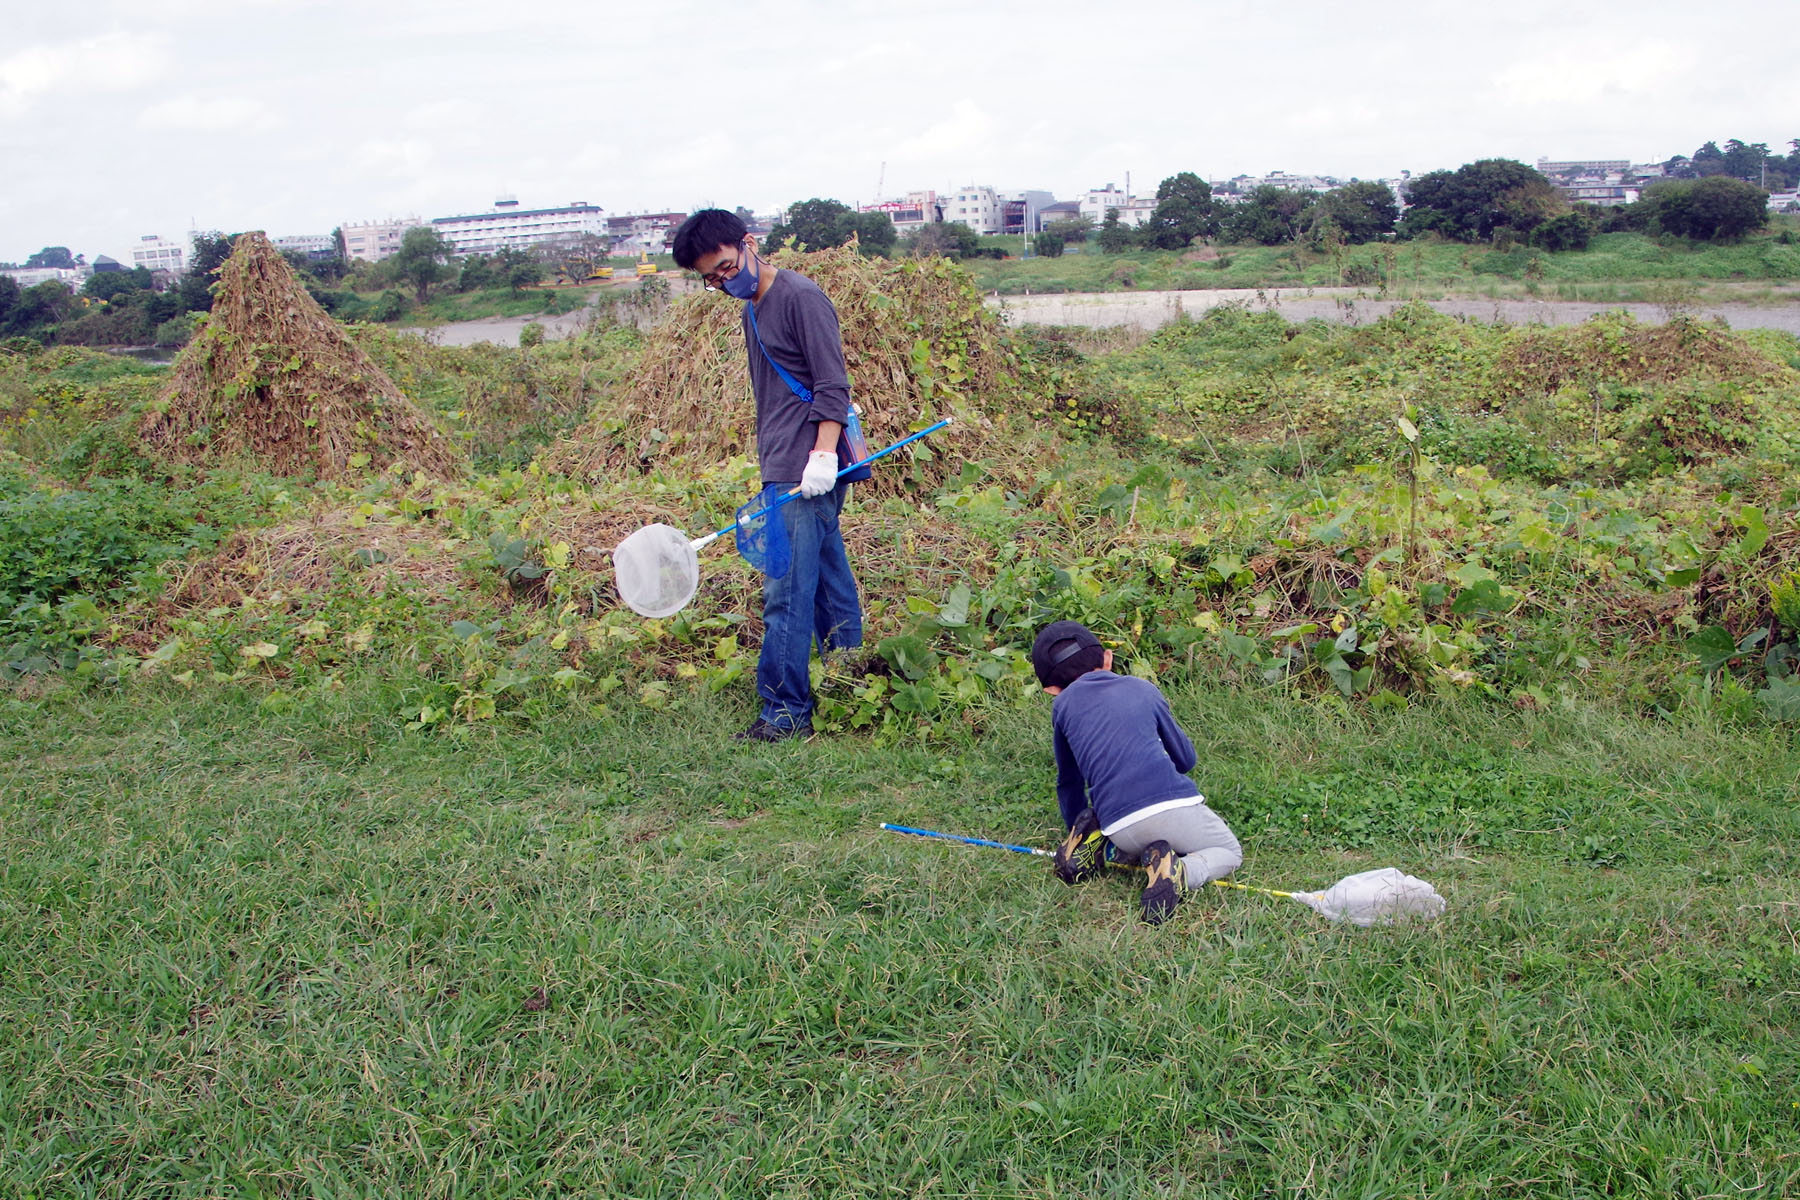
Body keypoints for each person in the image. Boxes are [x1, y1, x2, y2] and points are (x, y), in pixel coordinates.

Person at [671, 209, 868, 742]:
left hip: (805, 469)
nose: (721, 282)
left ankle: (785, 712)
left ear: (749, 244)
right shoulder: (750, 307)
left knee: (786, 593)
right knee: (829, 583)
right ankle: (853, 687)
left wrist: (822, 457)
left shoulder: (800, 297)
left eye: (724, 267)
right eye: (709, 279)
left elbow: (832, 385)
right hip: (783, 463)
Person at [1033, 620, 1243, 924]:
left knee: (1130, 833)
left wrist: (1077, 824)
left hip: (1117, 827)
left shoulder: (1062, 707)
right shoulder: (1142, 687)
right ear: (1107, 658)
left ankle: (1091, 843)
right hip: (1171, 808)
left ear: (1052, 690)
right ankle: (1180, 872)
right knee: (1229, 851)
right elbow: (1185, 760)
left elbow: (1068, 780)